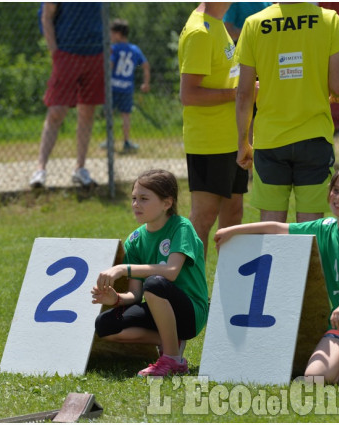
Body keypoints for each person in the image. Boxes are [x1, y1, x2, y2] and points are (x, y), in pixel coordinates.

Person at [214, 166, 339, 387]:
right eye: (336, 190)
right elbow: (278, 227)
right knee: (314, 378)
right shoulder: (324, 228)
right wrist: (234, 231)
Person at [235, 3, 339, 223]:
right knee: (309, 228)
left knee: (270, 227)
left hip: (270, 141)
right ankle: (307, 260)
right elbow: (338, 86)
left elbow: (244, 94)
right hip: (314, 138)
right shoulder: (329, 20)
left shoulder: (254, 24)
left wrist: (243, 142)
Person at [92, 169, 209, 377]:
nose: (136, 204)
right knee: (105, 326)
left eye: (144, 199)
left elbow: (171, 272)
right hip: (157, 307)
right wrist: (116, 298)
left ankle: (173, 359)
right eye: (134, 198)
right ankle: (171, 341)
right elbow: (135, 295)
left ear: (167, 203)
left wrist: (122, 268)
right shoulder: (135, 240)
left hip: (191, 313)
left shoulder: (182, 228)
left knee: (155, 284)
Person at [178, 2, 248, 258]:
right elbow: (189, 94)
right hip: (209, 141)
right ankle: (192, 292)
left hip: (230, 139)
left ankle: (228, 292)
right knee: (204, 217)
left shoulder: (219, 24)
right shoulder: (200, 32)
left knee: (233, 213)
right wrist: (240, 94)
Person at [29, 3, 104, 189]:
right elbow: (46, 16)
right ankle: (41, 169)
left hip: (95, 52)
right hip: (66, 52)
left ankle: (80, 168)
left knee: (87, 112)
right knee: (56, 111)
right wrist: (55, 51)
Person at [100, 18, 150, 153]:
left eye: (111, 33)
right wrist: (145, 83)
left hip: (113, 87)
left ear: (118, 34)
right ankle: (126, 141)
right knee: (126, 115)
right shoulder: (134, 49)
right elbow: (145, 65)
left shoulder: (113, 49)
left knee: (109, 113)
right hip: (127, 87)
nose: (110, 36)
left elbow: (109, 66)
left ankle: (110, 141)